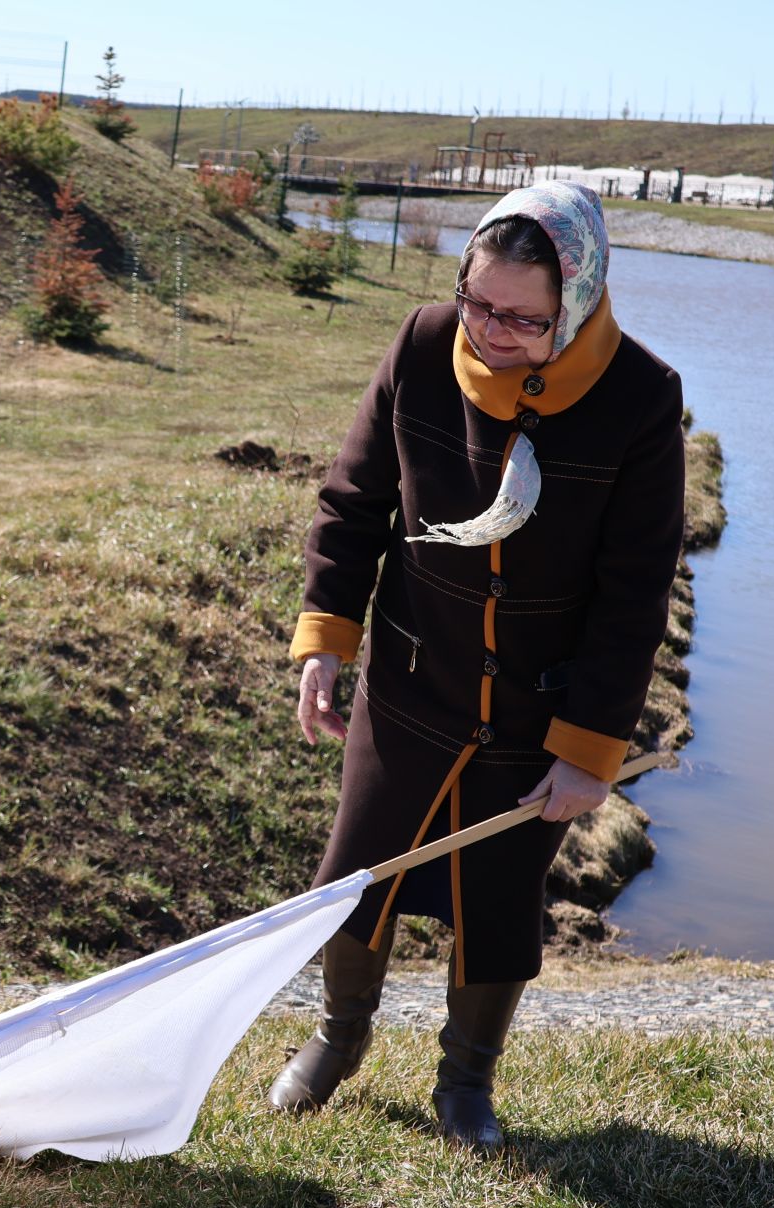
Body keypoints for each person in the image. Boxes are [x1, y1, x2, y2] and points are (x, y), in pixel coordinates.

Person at [268, 180, 684, 1152]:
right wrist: (328, 640)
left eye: (524, 319)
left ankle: (466, 1084)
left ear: (576, 302)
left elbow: (633, 595)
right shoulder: (420, 347)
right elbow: (353, 501)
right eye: (480, 303)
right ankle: (337, 1038)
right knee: (356, 875)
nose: (493, 331)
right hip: (413, 687)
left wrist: (587, 749)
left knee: (500, 901)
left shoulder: (639, 399)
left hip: (537, 717)